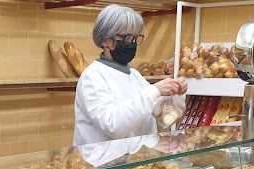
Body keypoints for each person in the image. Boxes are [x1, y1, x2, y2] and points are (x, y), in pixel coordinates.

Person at [74, 4, 188, 158]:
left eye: (136, 38)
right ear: (106, 41)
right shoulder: (92, 77)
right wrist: (154, 91)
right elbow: (114, 126)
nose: (133, 43)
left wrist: (177, 96)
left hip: (136, 163)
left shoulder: (134, 76)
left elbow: (166, 120)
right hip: (102, 168)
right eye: (127, 38)